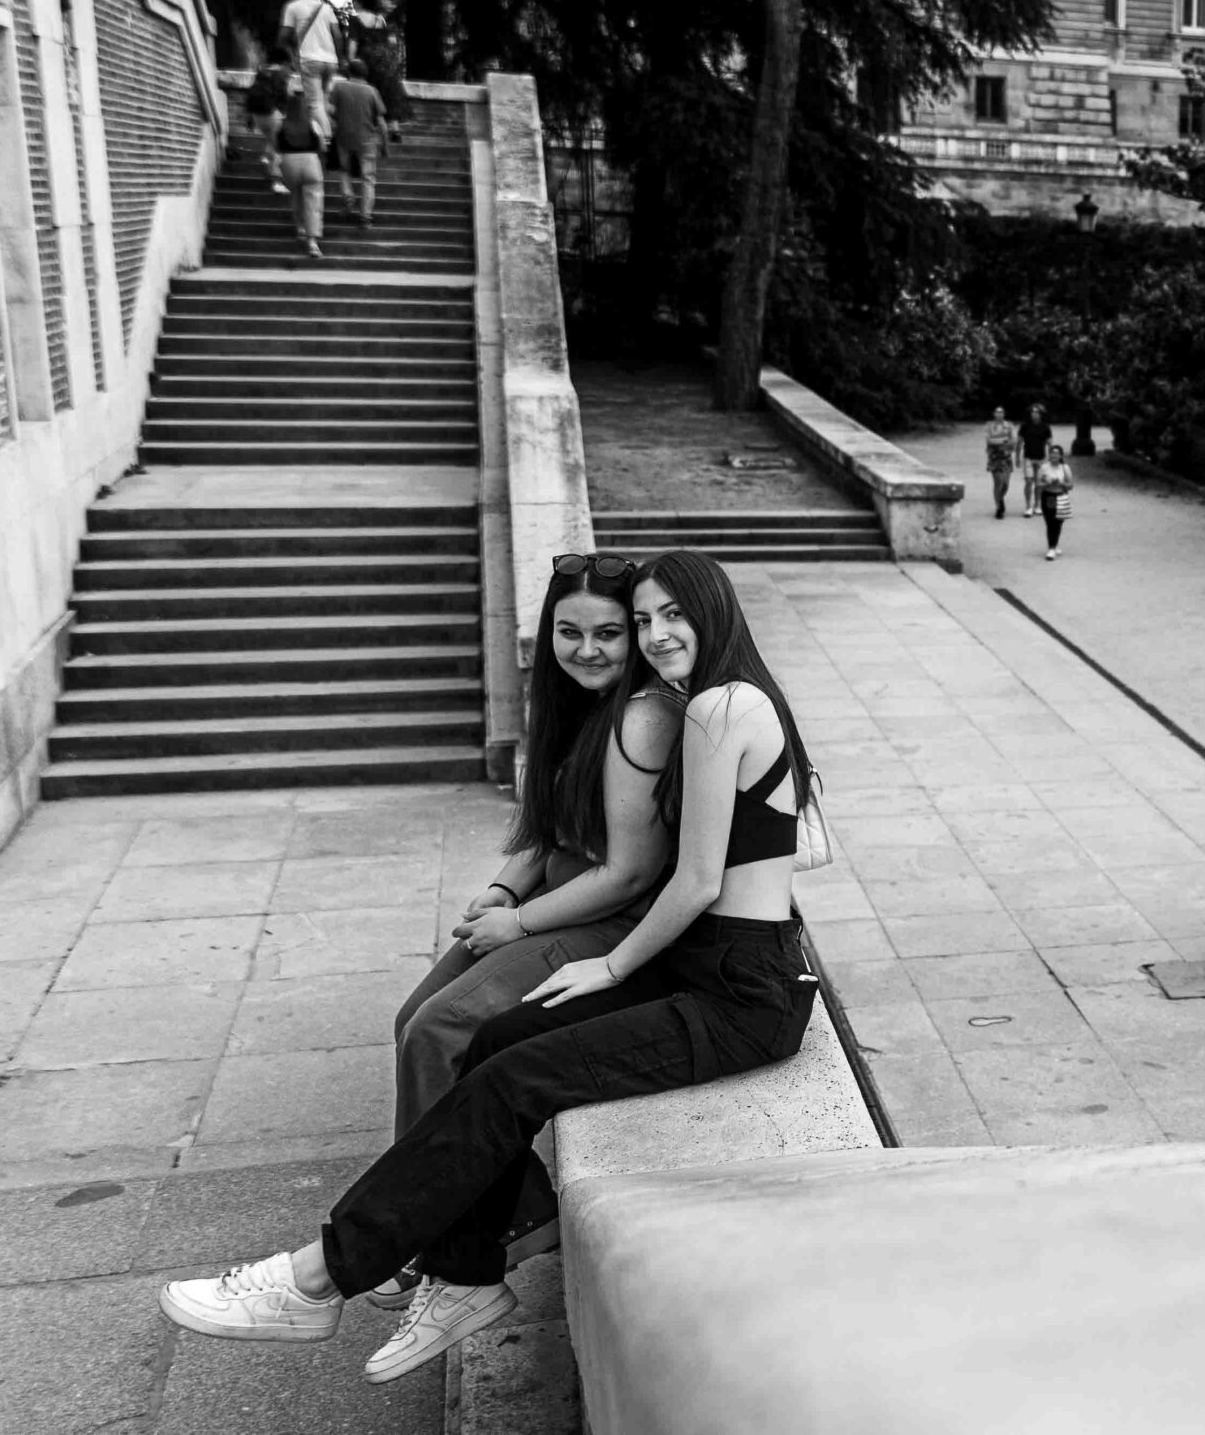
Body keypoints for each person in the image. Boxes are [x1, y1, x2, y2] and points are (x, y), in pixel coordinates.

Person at [156, 549, 823, 1387]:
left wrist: (610, 966)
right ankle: (465, 1273)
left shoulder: (717, 707)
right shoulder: (720, 700)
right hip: (708, 965)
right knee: (494, 1038)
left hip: (742, 993)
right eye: (644, 619)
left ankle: (317, 1275)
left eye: (670, 616)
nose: (655, 635)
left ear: (714, 610)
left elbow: (693, 880)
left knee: (514, 1077)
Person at [369, 552, 676, 1309]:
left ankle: (426, 1228)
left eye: (609, 633)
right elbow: (546, 830)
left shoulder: (645, 716)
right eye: (570, 632)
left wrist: (518, 921)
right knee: (413, 1021)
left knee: (443, 1029)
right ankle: (518, 1210)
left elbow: (631, 872)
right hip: (553, 899)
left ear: (635, 637)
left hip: (614, 923)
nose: (587, 650)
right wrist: (502, 889)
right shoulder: (566, 704)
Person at [278, 0, 342, 148]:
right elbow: (337, 35)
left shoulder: (293, 7)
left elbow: (284, 36)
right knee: (324, 101)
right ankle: (323, 136)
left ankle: (327, 139)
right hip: (330, 60)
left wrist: (289, 54)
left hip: (309, 59)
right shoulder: (326, 8)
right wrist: (340, 59)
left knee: (314, 104)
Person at [328, 61, 389, 232]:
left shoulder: (339, 87)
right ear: (365, 74)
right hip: (368, 140)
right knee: (368, 178)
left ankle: (348, 195)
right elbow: (381, 122)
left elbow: (330, 110)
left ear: (349, 72)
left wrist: (337, 119)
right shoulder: (372, 91)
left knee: (344, 170)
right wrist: (384, 144)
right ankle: (365, 217)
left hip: (343, 137)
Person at [272, 82, 329, 258]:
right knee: (313, 201)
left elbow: (275, 145)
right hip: (310, 161)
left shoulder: (281, 124)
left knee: (296, 196)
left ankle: (300, 227)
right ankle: (312, 243)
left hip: (289, 162)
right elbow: (322, 146)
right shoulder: (313, 124)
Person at [348, 0, 409, 142]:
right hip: (384, 60)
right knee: (388, 93)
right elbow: (391, 41)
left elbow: (353, 41)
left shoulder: (355, 20)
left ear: (360, 2)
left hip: (366, 59)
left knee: (368, 93)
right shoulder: (380, 19)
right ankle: (394, 129)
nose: (353, 3)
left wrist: (351, 60)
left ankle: (369, 130)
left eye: (354, 1)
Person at [243, 44, 296, 189]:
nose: (290, 68)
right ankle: (276, 181)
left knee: (271, 138)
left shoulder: (262, 71)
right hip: (272, 114)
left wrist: (249, 118)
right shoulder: (282, 74)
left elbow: (252, 93)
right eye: (289, 64)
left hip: (257, 115)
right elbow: (285, 96)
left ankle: (266, 157)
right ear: (284, 62)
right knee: (279, 148)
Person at [1034, 443, 1074, 560]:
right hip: (1049, 496)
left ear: (1061, 456)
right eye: (1052, 453)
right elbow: (1038, 484)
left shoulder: (1065, 468)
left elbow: (1070, 485)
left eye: (1056, 453)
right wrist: (1047, 483)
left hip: (1061, 496)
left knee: (1059, 523)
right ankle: (1051, 548)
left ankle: (1054, 544)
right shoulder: (1044, 467)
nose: (1053, 455)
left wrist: (1061, 483)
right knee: (1051, 523)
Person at [1016, 403, 1054, 517]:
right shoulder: (1024, 426)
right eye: (1033, 412)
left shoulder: (1046, 427)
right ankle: (1028, 506)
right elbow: (1019, 443)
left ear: (1041, 414)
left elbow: (1050, 444)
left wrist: (1053, 458)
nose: (1035, 414)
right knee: (1028, 481)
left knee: (1039, 483)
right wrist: (1017, 457)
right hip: (1028, 457)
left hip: (1041, 458)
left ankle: (1037, 505)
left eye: (1037, 412)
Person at [982, 406, 1019, 519]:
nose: (999, 414)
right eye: (997, 412)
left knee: (1006, 484)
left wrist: (999, 441)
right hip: (994, 457)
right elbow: (989, 440)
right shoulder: (989, 425)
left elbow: (1014, 440)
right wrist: (1004, 441)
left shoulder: (1009, 425)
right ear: (994, 414)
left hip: (1006, 457)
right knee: (998, 482)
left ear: (1004, 414)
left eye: (1001, 412)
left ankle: (1000, 498)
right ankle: (999, 507)